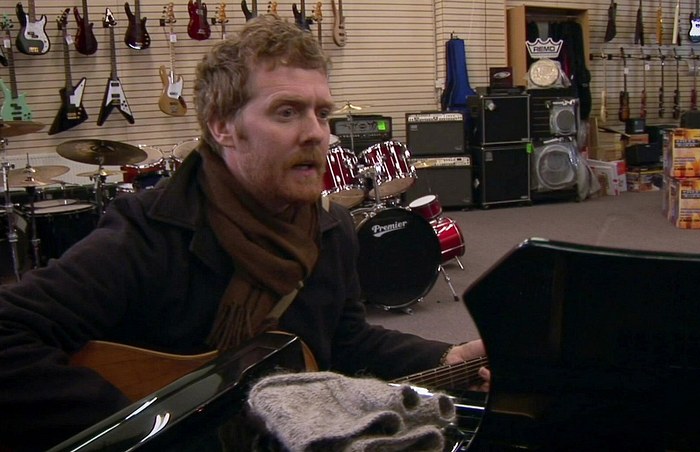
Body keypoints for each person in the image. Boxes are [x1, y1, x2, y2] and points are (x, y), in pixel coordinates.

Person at [0, 15, 487, 451]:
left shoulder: (332, 229)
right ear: (223, 127)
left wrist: (447, 355)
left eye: (321, 113)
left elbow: (343, 341)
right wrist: (149, 430)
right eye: (287, 111)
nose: (317, 133)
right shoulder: (149, 232)